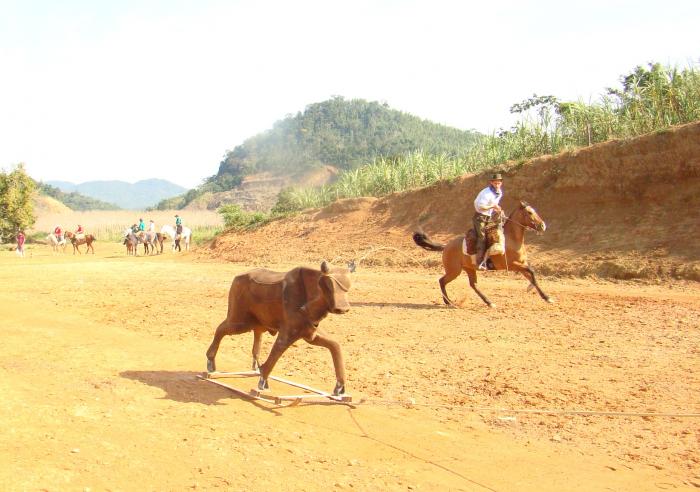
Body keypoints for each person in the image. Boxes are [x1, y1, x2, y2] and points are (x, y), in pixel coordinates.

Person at [472, 173, 504, 269]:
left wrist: (498, 209)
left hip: (488, 217)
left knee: (495, 234)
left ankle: (490, 260)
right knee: (482, 238)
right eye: (495, 183)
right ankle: (479, 262)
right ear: (491, 182)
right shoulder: (486, 193)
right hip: (480, 217)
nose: (497, 185)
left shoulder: (499, 192)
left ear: (501, 183)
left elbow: (494, 204)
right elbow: (481, 207)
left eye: (499, 183)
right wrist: (493, 206)